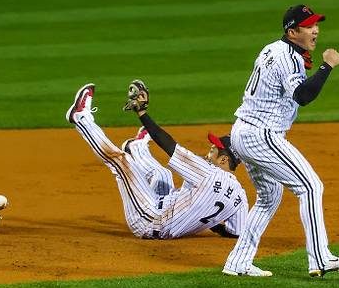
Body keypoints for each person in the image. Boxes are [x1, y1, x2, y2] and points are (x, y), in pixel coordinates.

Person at [222, 5, 339, 277]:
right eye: (308, 26)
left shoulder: (273, 48)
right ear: (292, 32)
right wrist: (326, 66)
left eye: (316, 24)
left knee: (269, 197)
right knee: (310, 186)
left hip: (244, 131)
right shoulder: (288, 58)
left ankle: (238, 263)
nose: (315, 30)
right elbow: (303, 96)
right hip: (261, 135)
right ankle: (320, 258)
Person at [66, 83, 248, 240]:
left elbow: (168, 145)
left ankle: (80, 118)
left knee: (122, 161)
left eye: (212, 151)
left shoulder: (209, 173)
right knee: (162, 174)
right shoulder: (240, 196)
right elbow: (235, 232)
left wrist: (142, 112)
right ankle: (137, 147)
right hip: (164, 211)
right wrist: (208, 219)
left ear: (224, 159)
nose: (208, 154)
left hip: (148, 220)